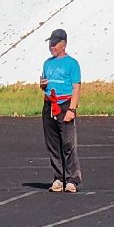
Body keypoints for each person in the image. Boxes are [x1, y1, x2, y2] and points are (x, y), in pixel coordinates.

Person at [39, 27, 82, 193]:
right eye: (50, 43)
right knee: (53, 144)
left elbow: (76, 87)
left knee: (68, 143)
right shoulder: (47, 63)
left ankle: (72, 179)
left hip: (64, 105)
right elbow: (44, 82)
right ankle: (58, 178)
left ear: (63, 44)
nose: (52, 46)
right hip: (49, 104)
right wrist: (42, 85)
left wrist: (72, 109)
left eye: (55, 43)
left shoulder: (72, 64)